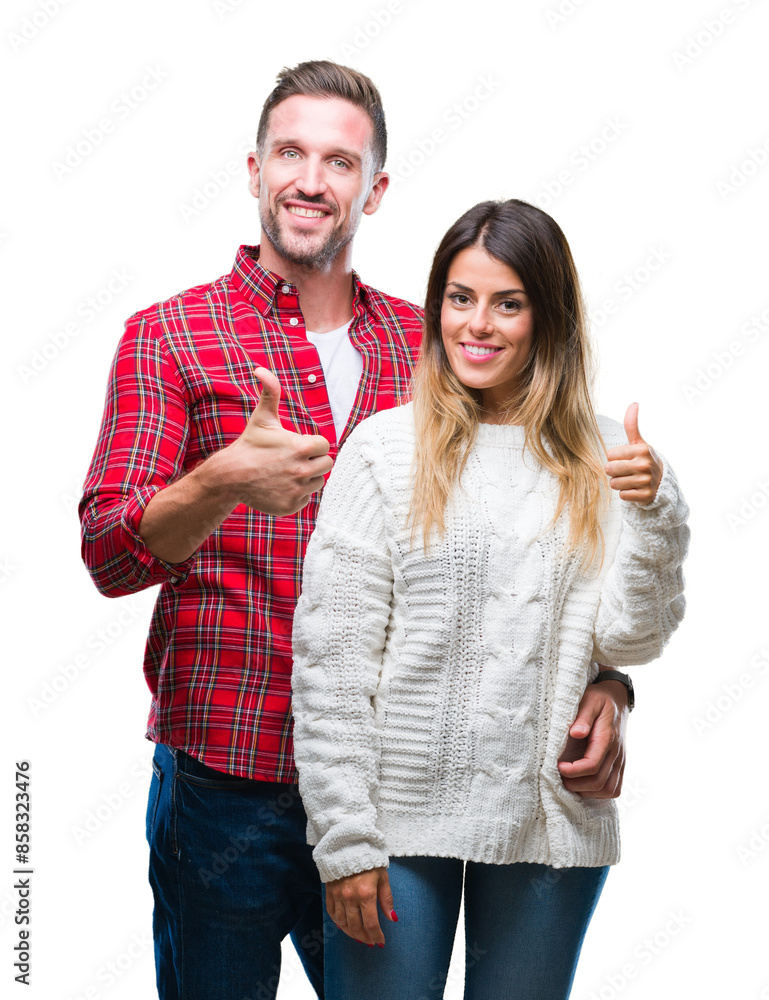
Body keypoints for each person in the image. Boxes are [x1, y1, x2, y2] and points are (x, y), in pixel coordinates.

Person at [78, 60, 631, 1000]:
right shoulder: (168, 336)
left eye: (339, 161)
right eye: (289, 152)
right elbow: (109, 553)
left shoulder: (431, 346)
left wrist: (608, 683)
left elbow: (536, 546)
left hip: (400, 798)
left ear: (373, 189)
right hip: (230, 781)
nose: (309, 179)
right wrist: (221, 479)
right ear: (252, 169)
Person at [291, 198, 690, 1000]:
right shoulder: (384, 450)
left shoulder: (611, 454)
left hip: (549, 819)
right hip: (395, 823)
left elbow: (632, 640)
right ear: (436, 305)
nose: (478, 324)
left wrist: (654, 513)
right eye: (459, 298)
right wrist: (345, 841)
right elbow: (333, 662)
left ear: (547, 317)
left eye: (508, 302)